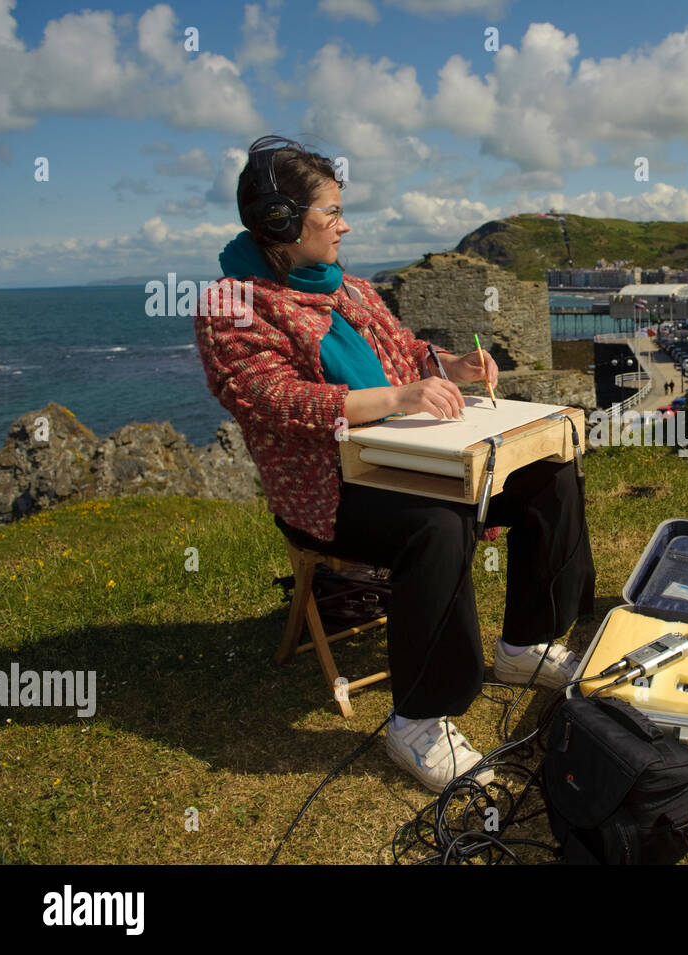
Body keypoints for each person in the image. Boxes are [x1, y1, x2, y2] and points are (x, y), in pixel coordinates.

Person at [193, 136, 595, 793]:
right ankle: (418, 721)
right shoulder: (230, 305)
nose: (344, 225)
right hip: (329, 494)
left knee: (548, 470)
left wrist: (450, 366)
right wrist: (399, 398)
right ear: (281, 221)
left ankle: (526, 644)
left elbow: (404, 350)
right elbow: (273, 400)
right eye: (331, 213)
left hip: (411, 458)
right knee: (437, 523)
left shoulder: (350, 288)